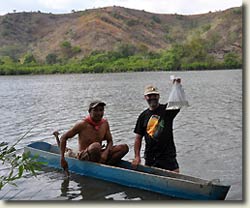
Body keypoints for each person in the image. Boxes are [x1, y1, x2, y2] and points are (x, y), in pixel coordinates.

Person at [56, 100, 129, 174]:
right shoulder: (82, 124)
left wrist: (105, 153)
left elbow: (110, 141)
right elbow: (63, 138)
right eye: (95, 110)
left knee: (123, 148)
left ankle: (106, 166)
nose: (99, 113)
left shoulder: (104, 124)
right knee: (96, 146)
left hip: (99, 154)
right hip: (85, 155)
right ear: (89, 112)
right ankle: (100, 167)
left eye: (101, 110)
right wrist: (62, 159)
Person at [132, 79, 182, 173]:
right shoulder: (143, 116)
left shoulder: (167, 110)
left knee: (175, 178)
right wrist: (137, 157)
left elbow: (178, 102)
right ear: (145, 97)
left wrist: (177, 86)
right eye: (149, 96)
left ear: (158, 96)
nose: (152, 98)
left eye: (154, 95)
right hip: (151, 158)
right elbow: (138, 138)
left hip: (167, 157)